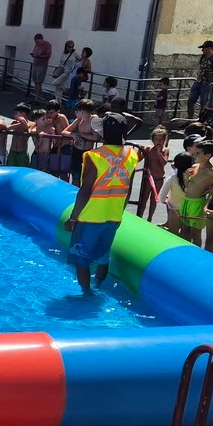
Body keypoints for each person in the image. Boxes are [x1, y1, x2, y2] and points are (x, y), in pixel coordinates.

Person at [63, 113, 140, 293]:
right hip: (113, 216)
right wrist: (120, 214)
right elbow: (127, 189)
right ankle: (98, 286)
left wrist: (73, 219)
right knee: (103, 256)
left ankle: (86, 294)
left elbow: (85, 191)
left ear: (102, 133)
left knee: (81, 259)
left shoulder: (94, 156)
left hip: (90, 216)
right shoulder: (132, 155)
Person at [178, 140, 213, 246]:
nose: (194, 154)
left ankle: (195, 254)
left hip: (198, 203)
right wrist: (186, 177)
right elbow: (187, 186)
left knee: (195, 233)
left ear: (208, 156)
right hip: (187, 201)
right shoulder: (194, 167)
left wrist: (212, 190)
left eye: (198, 153)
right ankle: (185, 252)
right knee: (184, 230)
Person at [63, 99, 100, 186]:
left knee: (86, 176)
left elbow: (95, 137)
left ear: (82, 111)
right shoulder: (79, 119)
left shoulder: (94, 119)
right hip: (76, 151)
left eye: (77, 110)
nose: (75, 112)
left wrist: (80, 134)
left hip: (87, 152)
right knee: (75, 175)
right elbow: (64, 131)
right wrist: (73, 135)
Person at [138, 126, 169, 221]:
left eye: (161, 139)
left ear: (164, 140)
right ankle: (139, 217)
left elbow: (163, 163)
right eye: (156, 139)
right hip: (148, 178)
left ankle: (150, 218)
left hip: (158, 179)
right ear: (153, 140)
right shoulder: (148, 149)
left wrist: (159, 153)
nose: (158, 142)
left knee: (153, 200)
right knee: (144, 199)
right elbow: (138, 159)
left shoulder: (165, 150)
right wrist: (139, 150)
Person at [32, 100, 70, 177]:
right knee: (53, 171)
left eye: (51, 112)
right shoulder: (47, 119)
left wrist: (60, 147)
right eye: (48, 112)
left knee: (63, 172)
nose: (49, 114)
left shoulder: (61, 117)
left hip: (64, 146)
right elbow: (37, 124)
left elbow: (68, 132)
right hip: (54, 147)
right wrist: (35, 131)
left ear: (58, 111)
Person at [159, 152, 194, 235]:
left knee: (173, 235)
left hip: (174, 211)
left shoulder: (171, 179)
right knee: (186, 237)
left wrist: (168, 201)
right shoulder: (194, 180)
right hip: (189, 212)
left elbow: (162, 198)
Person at [188, 40, 213, 118]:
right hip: (199, 81)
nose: (202, 50)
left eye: (204, 48)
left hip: (207, 83)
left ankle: (200, 120)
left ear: (209, 49)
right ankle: (190, 119)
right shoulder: (203, 57)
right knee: (190, 100)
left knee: (204, 103)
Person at [31, 34, 52, 100]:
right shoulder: (36, 45)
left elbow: (48, 55)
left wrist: (39, 56)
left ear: (42, 40)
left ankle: (37, 98)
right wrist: (34, 55)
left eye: (38, 42)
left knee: (38, 82)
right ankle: (35, 97)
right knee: (35, 81)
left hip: (42, 65)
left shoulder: (47, 45)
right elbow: (34, 51)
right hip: (35, 64)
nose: (37, 43)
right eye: (36, 42)